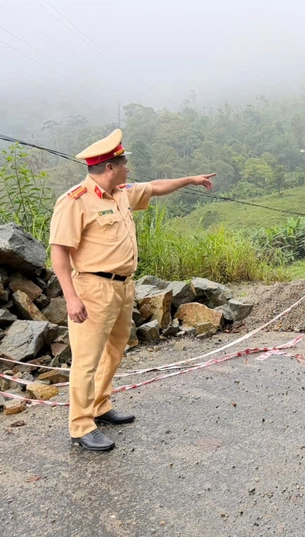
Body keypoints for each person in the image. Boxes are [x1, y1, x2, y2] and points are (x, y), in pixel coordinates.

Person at [49, 129, 215, 451]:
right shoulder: (74, 201)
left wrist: (190, 180)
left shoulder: (120, 193)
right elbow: (59, 252)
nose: (128, 168)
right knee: (86, 358)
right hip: (93, 289)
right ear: (110, 167)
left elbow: (154, 187)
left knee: (115, 349)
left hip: (124, 287)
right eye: (124, 163)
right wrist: (71, 298)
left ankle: (100, 405)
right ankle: (81, 425)